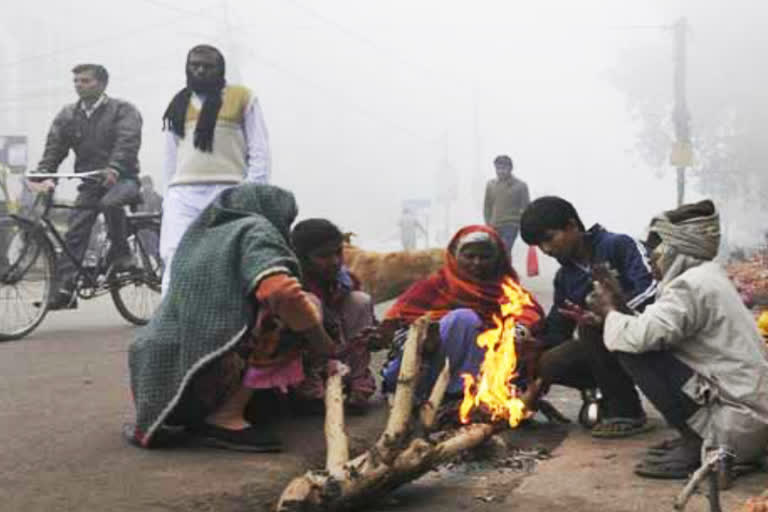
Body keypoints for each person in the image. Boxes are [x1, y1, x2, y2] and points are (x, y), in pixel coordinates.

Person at [127, 184, 336, 452]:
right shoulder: (256, 230)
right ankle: (225, 417)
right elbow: (280, 291)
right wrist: (324, 345)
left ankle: (236, 407)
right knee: (293, 309)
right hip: (204, 375)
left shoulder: (204, 235)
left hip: (159, 385)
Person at [589, 200, 768, 480]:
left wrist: (610, 310)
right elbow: (656, 326)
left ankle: (697, 441)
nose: (650, 260)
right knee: (629, 337)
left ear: (676, 249)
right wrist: (618, 307)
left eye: (654, 251)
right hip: (750, 420)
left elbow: (639, 337)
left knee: (632, 350)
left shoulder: (691, 285)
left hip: (736, 427)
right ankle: (697, 434)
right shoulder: (706, 277)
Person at [519, 196, 657, 437]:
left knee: (590, 326)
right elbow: (558, 329)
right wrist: (532, 342)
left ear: (572, 226)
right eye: (540, 245)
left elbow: (652, 290)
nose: (547, 250)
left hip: (651, 334)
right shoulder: (565, 277)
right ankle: (604, 392)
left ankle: (627, 412)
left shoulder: (619, 245)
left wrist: (611, 313)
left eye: (549, 238)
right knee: (549, 361)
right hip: (612, 349)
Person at [378, 225, 543, 400]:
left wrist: (516, 331)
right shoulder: (435, 285)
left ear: (497, 259)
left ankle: (470, 394)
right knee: (464, 319)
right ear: (455, 257)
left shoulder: (507, 288)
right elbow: (398, 321)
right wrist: (426, 337)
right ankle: (450, 392)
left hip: (484, 368)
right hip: (428, 369)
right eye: (469, 256)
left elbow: (528, 312)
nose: (476, 263)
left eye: (484, 257)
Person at [28, 63, 142, 309]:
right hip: (91, 183)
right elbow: (54, 149)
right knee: (75, 232)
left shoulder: (123, 110)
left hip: (124, 179)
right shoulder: (68, 115)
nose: (79, 85)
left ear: (102, 84)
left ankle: (122, 254)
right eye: (76, 81)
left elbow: (127, 142)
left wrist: (115, 168)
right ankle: (66, 290)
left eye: (85, 81)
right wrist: (43, 174)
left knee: (110, 202)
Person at [160, 44, 271, 294]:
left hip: (228, 192)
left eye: (207, 66)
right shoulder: (178, 103)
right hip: (183, 193)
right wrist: (168, 197)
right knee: (175, 255)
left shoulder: (242, 97)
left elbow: (260, 150)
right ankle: (169, 322)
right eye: (194, 65)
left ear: (220, 69)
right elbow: (170, 157)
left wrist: (252, 191)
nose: (200, 71)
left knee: (229, 258)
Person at [290, 218, 376, 411]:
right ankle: (310, 390)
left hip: (339, 359)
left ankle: (357, 383)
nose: (335, 261)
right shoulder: (290, 284)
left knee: (360, 301)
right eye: (323, 256)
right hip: (305, 362)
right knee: (309, 303)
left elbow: (362, 331)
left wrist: (377, 336)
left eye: (338, 253)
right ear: (302, 258)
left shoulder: (344, 281)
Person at [483, 155, 530, 258]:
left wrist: (525, 226)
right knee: (494, 251)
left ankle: (505, 272)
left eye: (504, 168)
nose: (501, 171)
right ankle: (499, 272)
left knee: (504, 249)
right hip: (494, 225)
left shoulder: (520, 186)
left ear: (510, 168)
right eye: (498, 168)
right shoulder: (491, 185)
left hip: (511, 224)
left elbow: (526, 208)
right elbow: (487, 206)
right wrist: (488, 224)